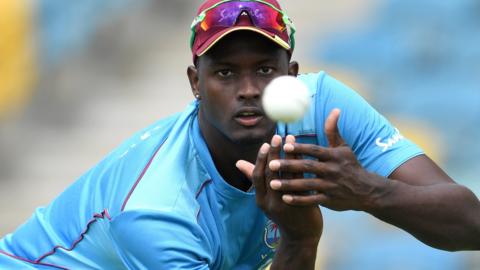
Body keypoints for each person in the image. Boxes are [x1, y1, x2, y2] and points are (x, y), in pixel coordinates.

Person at [0, 0, 479, 269]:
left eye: (266, 70)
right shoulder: (158, 213)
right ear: (194, 83)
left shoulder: (323, 106)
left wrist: (369, 192)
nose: (249, 90)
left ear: (293, 75)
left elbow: (470, 225)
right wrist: (299, 243)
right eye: (226, 73)